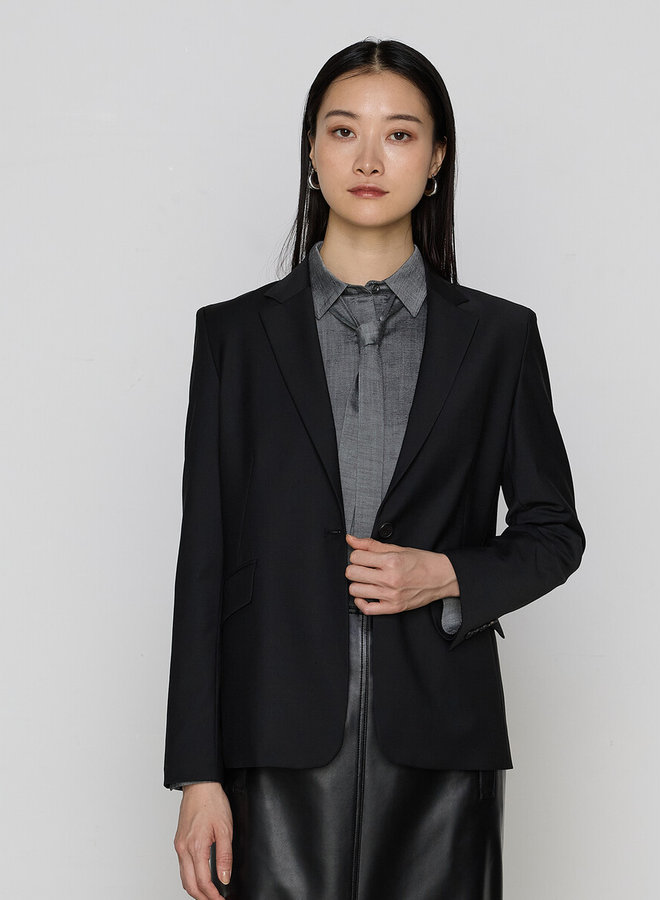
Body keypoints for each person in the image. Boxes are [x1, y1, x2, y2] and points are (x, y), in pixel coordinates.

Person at [164, 37, 585, 900]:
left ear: (435, 160)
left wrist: (447, 573)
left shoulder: (498, 337)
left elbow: (554, 533)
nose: (367, 159)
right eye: (342, 130)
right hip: (272, 741)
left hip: (441, 740)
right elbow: (204, 559)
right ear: (311, 152)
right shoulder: (234, 337)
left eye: (399, 134)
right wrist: (196, 775)